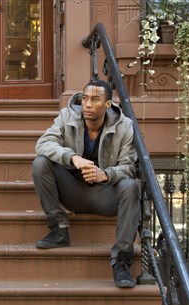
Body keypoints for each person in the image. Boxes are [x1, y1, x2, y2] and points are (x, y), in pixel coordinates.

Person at [32, 79, 140, 288]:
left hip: (107, 197)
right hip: (73, 191)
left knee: (130, 186)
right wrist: (72, 157)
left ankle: (122, 262)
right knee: (40, 163)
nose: (88, 104)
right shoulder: (67, 116)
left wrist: (105, 175)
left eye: (95, 100)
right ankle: (59, 229)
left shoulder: (124, 126)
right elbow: (43, 144)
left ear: (108, 104)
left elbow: (130, 167)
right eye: (85, 99)